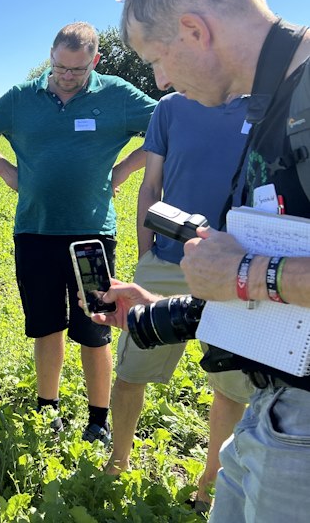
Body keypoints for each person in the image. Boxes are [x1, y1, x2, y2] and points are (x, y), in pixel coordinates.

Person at [105, 0, 310, 522]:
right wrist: (157, 312)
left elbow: (254, 275)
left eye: (157, 59)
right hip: (271, 408)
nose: (162, 80)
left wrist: (243, 271)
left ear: (195, 30)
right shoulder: (272, 103)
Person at [0, 22, 156, 444]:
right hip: (35, 231)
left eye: (77, 70)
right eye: (59, 67)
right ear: (51, 56)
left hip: (92, 236)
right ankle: (47, 410)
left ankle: (98, 419)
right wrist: (5, 171)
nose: (66, 77)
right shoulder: (21, 98)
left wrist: (123, 169)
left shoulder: (117, 95)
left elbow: (168, 127)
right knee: (46, 326)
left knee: (95, 327)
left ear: (95, 62)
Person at [106, 92, 254, 511]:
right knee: (131, 371)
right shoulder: (170, 107)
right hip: (167, 260)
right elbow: (150, 185)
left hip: (232, 267)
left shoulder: (263, 104)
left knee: (231, 386)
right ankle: (116, 466)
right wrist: (146, 253)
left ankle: (210, 484)